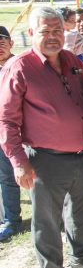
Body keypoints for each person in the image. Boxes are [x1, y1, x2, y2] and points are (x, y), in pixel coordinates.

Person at [0, 7, 83, 268]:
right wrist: (18, 163)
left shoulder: (72, 60)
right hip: (45, 160)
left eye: (57, 31)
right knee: (47, 220)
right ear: (32, 33)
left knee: (80, 212)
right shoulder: (20, 67)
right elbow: (7, 120)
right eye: (45, 31)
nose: (52, 37)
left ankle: (82, 257)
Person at [0, 26, 20, 242]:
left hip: (24, 132)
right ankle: (11, 220)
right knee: (6, 178)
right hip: (2, 133)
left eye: (2, 41)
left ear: (11, 43)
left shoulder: (20, 65)